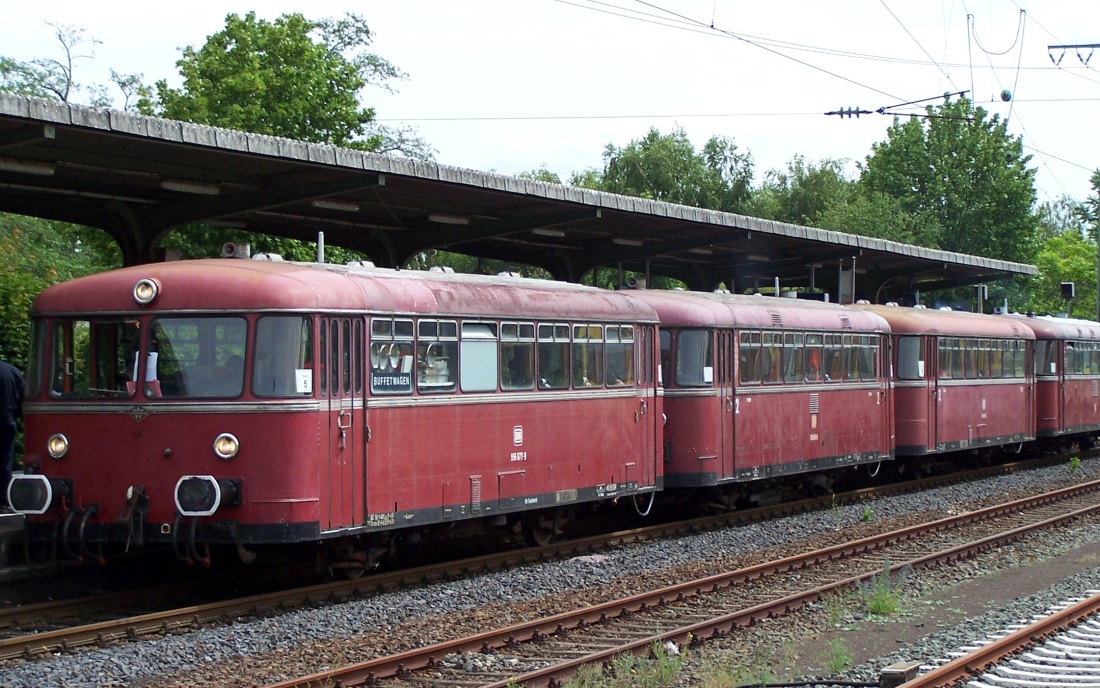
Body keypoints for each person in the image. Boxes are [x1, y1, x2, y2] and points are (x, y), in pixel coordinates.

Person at [0, 358, 24, 511]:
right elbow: (23, 397)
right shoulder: (12, 371)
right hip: (6, 420)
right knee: (4, 461)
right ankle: (3, 500)